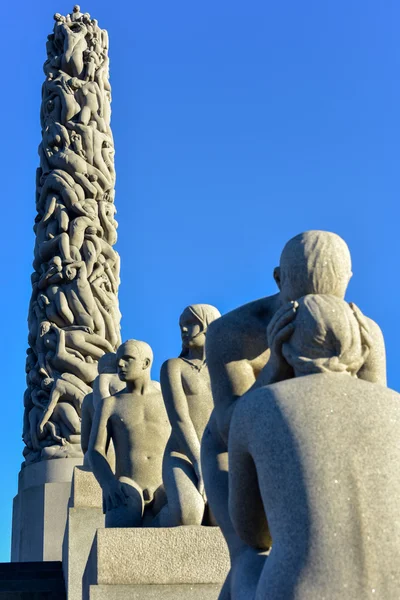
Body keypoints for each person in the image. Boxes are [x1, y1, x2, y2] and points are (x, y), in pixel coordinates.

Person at [201, 230, 387, 599]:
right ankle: (241, 561)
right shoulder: (232, 333)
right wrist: (273, 368)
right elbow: (227, 426)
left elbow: (368, 429)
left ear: (348, 280)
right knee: (250, 553)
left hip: (307, 435)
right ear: (277, 280)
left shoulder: (366, 334)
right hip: (235, 444)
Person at [228, 295, 400, 600]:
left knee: (246, 560)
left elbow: (252, 531)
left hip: (300, 590)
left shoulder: (258, 406)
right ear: (360, 345)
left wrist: (274, 369)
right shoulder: (395, 406)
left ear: (285, 345)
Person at [87, 340, 171, 527]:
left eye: (127, 359)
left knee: (185, 517)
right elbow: (95, 451)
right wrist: (108, 483)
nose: (119, 364)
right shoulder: (110, 404)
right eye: (118, 359)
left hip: (164, 484)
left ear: (146, 363)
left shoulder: (166, 400)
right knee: (119, 524)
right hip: (128, 484)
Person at [157, 304, 221, 526]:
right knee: (189, 516)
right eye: (181, 326)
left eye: (190, 324)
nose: (184, 330)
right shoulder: (173, 367)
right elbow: (179, 418)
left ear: (207, 325)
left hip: (218, 454)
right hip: (182, 454)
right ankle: (154, 516)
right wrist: (198, 462)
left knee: (222, 519)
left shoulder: (224, 367)